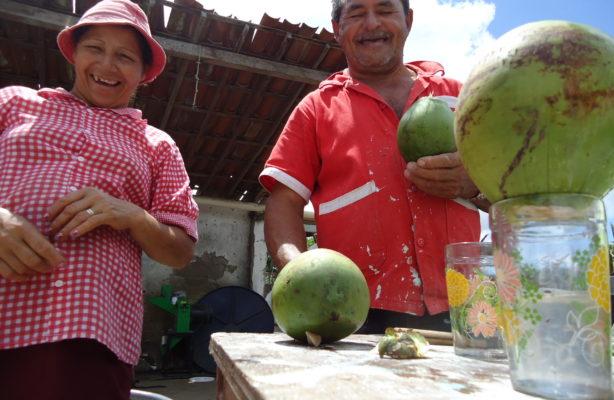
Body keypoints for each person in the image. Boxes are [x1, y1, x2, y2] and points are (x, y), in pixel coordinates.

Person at [0, 0, 199, 398]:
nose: (108, 65)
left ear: (144, 74)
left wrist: (134, 216)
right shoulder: (12, 104)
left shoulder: (156, 145)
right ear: (74, 53)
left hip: (89, 332)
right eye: (95, 48)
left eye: (125, 56)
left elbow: (181, 251)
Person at [259, 0, 483, 333]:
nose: (371, 23)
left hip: (466, 306)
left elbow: (518, 195)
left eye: (385, 10)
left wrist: (474, 183)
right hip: (351, 314)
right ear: (337, 29)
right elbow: (283, 203)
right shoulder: (316, 109)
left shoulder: (463, 99)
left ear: (408, 20)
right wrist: (301, 272)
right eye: (356, 13)